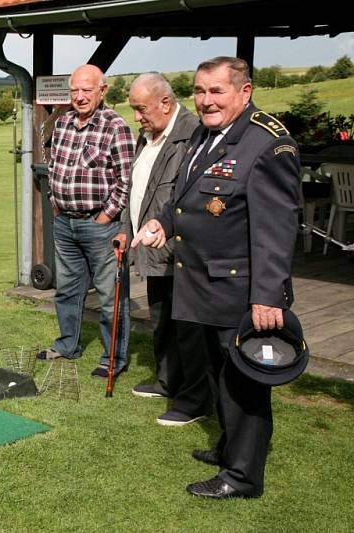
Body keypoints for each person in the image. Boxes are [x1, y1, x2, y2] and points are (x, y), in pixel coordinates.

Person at [132, 57, 300, 498]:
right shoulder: (205, 135)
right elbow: (187, 198)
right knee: (218, 375)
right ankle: (230, 449)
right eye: (200, 92)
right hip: (201, 282)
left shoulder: (267, 143)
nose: (206, 101)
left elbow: (276, 230)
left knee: (244, 383)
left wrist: (268, 296)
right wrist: (162, 224)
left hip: (239, 290)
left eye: (217, 92)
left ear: (244, 93)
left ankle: (243, 477)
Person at [116, 73, 212, 427]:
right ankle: (168, 380)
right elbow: (136, 191)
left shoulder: (193, 134)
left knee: (188, 327)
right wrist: (126, 233)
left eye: (141, 109)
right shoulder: (149, 136)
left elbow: (184, 198)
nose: (137, 117)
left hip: (180, 251)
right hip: (151, 249)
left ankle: (195, 398)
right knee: (162, 319)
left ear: (165, 103)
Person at [37, 64, 134, 379]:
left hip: (99, 224)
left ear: (102, 91)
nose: (79, 97)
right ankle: (68, 345)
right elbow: (55, 168)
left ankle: (113, 359)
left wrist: (108, 214)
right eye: (75, 90)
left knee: (110, 295)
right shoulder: (63, 122)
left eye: (86, 90)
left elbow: (125, 180)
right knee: (66, 290)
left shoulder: (115, 126)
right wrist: (55, 202)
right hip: (65, 223)